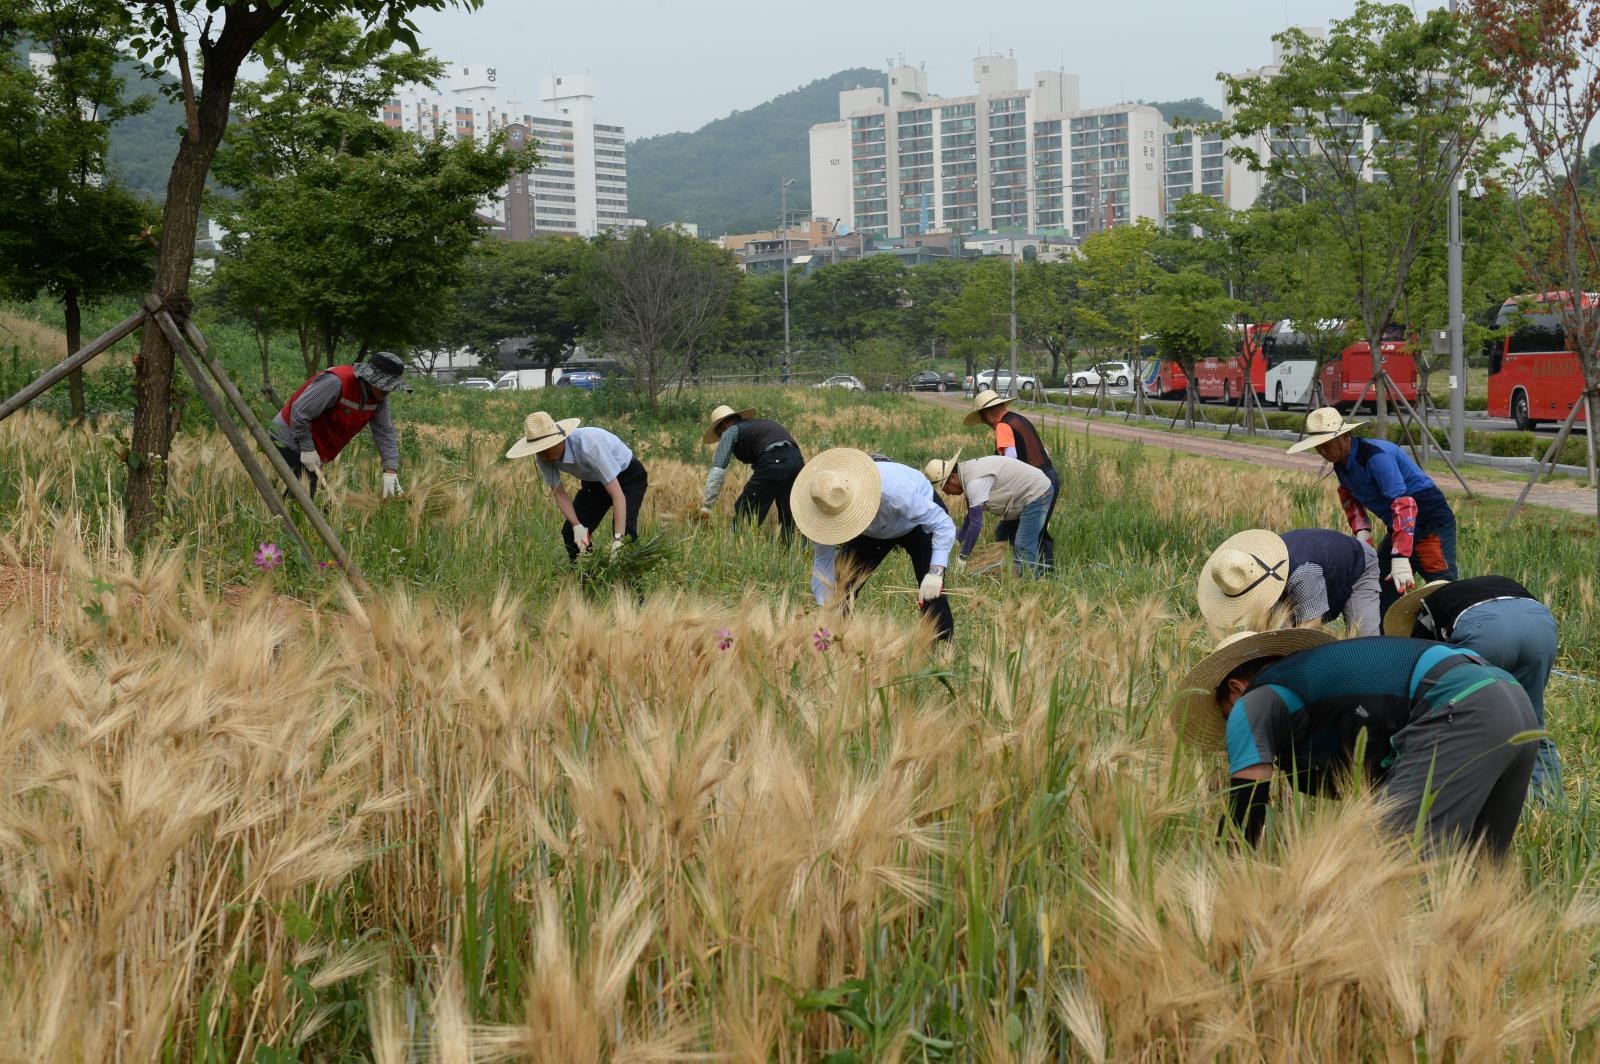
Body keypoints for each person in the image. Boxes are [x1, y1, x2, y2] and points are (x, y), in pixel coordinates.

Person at [1176, 630, 1538, 857]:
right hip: (1511, 699)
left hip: (1458, 708)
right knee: (1477, 876)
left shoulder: (1252, 701)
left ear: (1236, 689)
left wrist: (1224, 878)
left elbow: (1244, 812)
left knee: (1387, 874)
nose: (1230, 730)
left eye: (1224, 715)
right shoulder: (1320, 679)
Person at [1385, 576, 1561, 802]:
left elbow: (1422, 664)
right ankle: (1546, 803)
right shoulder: (1485, 586)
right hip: (1539, 626)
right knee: (1531, 719)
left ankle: (1462, 799)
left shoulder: (1429, 606)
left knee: (1462, 721)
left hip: (1484, 629)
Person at [1287, 407, 1456, 612]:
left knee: (1440, 583)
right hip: (1397, 524)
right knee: (1382, 582)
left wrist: (1401, 556)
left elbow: (1404, 504)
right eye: (1318, 447)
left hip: (1428, 518)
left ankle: (1455, 631)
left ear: (1344, 436)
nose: (1323, 452)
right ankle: (1386, 638)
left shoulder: (1375, 457)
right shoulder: (1341, 465)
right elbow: (1350, 496)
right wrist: (1362, 531)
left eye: (1327, 445)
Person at [791, 447, 956, 642]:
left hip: (918, 525)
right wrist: (825, 607)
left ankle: (943, 648)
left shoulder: (895, 491)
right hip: (872, 532)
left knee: (930, 592)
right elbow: (823, 563)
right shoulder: (824, 509)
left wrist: (936, 571)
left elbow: (943, 524)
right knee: (842, 583)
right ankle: (837, 640)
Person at [506, 411, 648, 561]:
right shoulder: (543, 458)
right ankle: (589, 578)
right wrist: (577, 525)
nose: (545, 455)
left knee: (625, 536)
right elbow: (558, 493)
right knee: (570, 533)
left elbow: (618, 495)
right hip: (594, 483)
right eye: (540, 451)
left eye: (548, 448)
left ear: (561, 440)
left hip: (627, 477)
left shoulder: (589, 446)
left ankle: (630, 582)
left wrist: (618, 541)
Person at [271, 350, 410, 498]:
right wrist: (307, 448)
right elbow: (299, 413)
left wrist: (390, 470)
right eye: (385, 385)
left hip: (314, 449)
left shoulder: (379, 399)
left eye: (391, 386)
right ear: (370, 379)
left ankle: (282, 516)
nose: (388, 390)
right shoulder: (336, 382)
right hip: (287, 437)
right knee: (310, 499)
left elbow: (385, 431)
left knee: (312, 499)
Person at [1197, 527, 1381, 637]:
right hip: (1314, 567)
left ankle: (1375, 696)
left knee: (1365, 646)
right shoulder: (1250, 567)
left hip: (1359, 565)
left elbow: (1309, 632)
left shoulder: (1303, 572)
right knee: (1277, 633)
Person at [964, 389, 1059, 568]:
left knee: (1017, 534)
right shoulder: (1019, 420)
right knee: (1033, 531)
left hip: (1034, 486)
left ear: (987, 414)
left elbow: (1010, 458)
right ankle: (1039, 572)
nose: (985, 423)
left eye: (982, 419)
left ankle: (1027, 574)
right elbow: (1043, 451)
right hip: (1049, 476)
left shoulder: (1002, 426)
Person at [922, 449, 1052, 575]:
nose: (947, 493)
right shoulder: (966, 473)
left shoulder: (974, 483)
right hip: (1022, 495)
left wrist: (963, 557)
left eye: (944, 487)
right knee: (1003, 536)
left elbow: (976, 524)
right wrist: (958, 540)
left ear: (952, 478)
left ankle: (1028, 582)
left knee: (1023, 544)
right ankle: (1010, 573)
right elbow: (971, 516)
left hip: (1037, 492)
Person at [698, 403, 804, 537]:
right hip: (796, 460)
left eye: (718, 433)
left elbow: (718, 470)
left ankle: (735, 545)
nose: (720, 437)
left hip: (773, 461)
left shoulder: (730, 431)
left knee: (746, 506)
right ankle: (789, 549)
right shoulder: (762, 424)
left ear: (723, 425)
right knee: (787, 510)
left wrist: (707, 505)